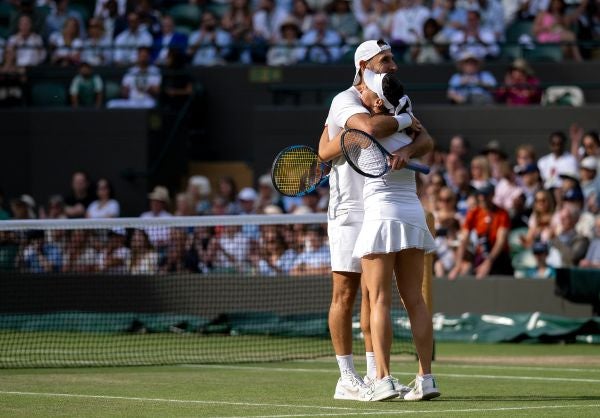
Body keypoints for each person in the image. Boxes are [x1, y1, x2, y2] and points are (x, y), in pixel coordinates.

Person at [317, 39, 433, 401]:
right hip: (349, 208)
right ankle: (346, 377)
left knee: (373, 295)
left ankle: (375, 375)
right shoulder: (344, 101)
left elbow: (425, 136)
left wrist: (408, 146)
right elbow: (362, 131)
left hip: (381, 206)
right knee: (346, 292)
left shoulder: (394, 96)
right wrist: (400, 120)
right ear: (364, 65)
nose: (394, 65)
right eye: (386, 60)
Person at [351, 70, 439, 401]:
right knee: (414, 298)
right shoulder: (408, 123)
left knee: (379, 300)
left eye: (365, 91)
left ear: (376, 100)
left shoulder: (362, 124)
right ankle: (426, 378)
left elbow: (363, 132)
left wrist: (408, 148)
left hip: (382, 216)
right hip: (412, 214)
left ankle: (384, 379)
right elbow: (427, 139)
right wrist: (408, 146)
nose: (359, 92)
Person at [449, 183, 513, 279]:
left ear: (492, 195)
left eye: (486, 195)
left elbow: (500, 242)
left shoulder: (502, 214)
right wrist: (458, 264)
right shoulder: (474, 213)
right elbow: (464, 239)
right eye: (480, 195)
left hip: (499, 257)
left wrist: (488, 262)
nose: (482, 198)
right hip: (481, 254)